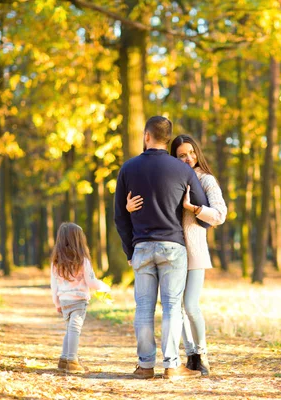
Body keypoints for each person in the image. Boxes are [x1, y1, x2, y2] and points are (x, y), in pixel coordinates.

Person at [114, 116, 210, 380]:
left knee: (143, 308)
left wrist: (129, 251)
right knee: (170, 306)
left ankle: (145, 366)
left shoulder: (128, 168)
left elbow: (119, 216)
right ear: (167, 140)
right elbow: (201, 210)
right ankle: (171, 365)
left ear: (147, 136)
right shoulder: (182, 170)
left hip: (142, 247)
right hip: (172, 246)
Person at [126, 134, 227, 376]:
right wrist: (129, 209)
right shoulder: (171, 175)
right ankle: (190, 354)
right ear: (173, 157)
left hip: (194, 252)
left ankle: (201, 354)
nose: (188, 158)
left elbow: (220, 215)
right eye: (181, 155)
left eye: (191, 153)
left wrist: (194, 209)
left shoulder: (206, 180)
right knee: (174, 307)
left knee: (190, 305)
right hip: (172, 250)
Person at [50, 222, 111, 374]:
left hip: (64, 301)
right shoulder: (83, 260)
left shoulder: (56, 262)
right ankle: (72, 360)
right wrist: (104, 287)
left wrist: (56, 302)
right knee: (74, 329)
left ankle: (63, 359)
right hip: (78, 301)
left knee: (69, 329)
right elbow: (91, 282)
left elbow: (54, 284)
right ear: (79, 240)